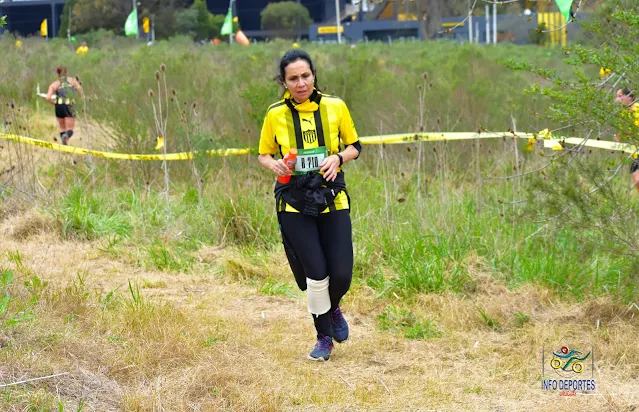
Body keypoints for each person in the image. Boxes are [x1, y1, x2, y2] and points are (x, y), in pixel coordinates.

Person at [257, 49, 362, 361]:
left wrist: (338, 157)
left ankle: (333, 307)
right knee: (316, 275)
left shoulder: (335, 106)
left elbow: (355, 146)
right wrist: (274, 164)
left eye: (305, 76)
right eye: (293, 78)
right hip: (293, 202)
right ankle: (323, 338)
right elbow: (263, 154)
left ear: (314, 75)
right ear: (284, 82)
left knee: (340, 274)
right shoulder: (275, 114)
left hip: (332, 197)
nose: (300, 83)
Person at [46, 66, 83, 145]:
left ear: (58, 74)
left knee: (62, 128)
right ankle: (66, 136)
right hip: (69, 105)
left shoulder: (54, 84)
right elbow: (80, 89)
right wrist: (78, 98)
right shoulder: (72, 81)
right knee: (70, 129)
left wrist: (54, 104)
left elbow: (48, 98)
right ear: (67, 72)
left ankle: (65, 144)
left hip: (59, 106)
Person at [613, 87, 639, 191]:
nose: (617, 99)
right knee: (637, 182)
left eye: (620, 96)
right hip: (635, 153)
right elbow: (623, 134)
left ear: (629, 97)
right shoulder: (622, 114)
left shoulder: (637, 108)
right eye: (616, 96)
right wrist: (619, 136)